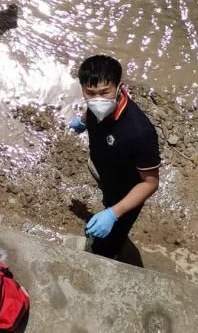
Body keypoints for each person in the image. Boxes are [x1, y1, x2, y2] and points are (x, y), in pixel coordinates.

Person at [69, 54, 160, 260]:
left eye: (104, 92)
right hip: (107, 175)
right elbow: (91, 108)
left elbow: (150, 183)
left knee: (109, 242)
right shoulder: (94, 106)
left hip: (128, 192)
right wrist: (83, 121)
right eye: (90, 92)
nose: (97, 99)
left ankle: (104, 254)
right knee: (107, 198)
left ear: (119, 88)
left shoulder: (139, 132)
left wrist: (114, 213)